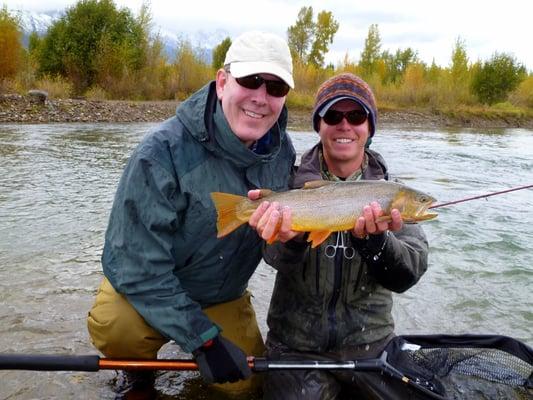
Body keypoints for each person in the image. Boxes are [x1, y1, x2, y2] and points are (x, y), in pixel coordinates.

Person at [87, 31, 296, 399]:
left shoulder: (282, 155)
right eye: (250, 81)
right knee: (117, 330)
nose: (261, 98)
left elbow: (280, 253)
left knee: (248, 383)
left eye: (276, 88)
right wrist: (205, 341)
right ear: (222, 82)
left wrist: (287, 243)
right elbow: (136, 267)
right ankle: (138, 377)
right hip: (148, 287)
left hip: (221, 294)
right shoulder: (160, 152)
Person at [248, 73, 429, 399]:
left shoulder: (392, 189)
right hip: (296, 345)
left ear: (369, 128)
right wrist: (293, 238)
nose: (344, 125)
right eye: (333, 116)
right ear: (319, 125)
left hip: (370, 343)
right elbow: (271, 258)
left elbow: (408, 273)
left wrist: (377, 245)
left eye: (356, 116)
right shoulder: (291, 182)